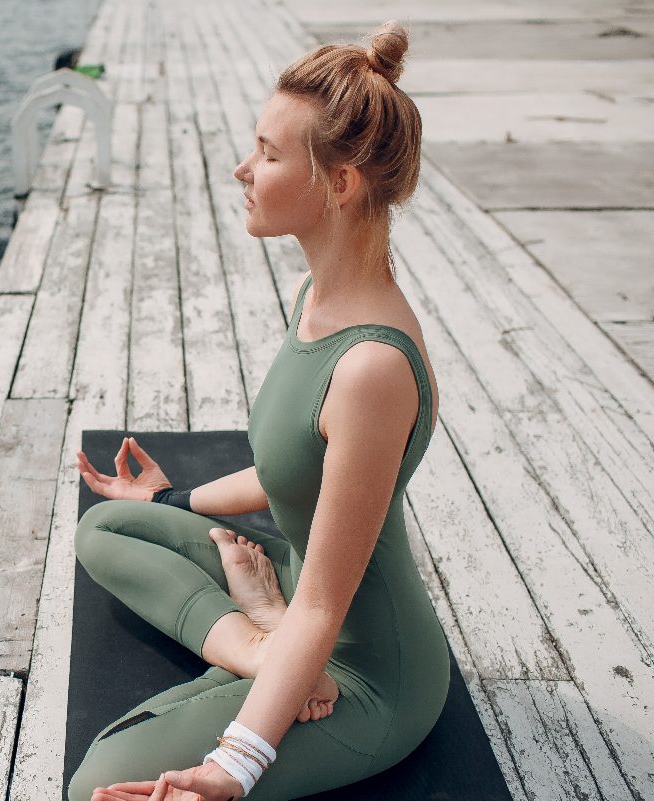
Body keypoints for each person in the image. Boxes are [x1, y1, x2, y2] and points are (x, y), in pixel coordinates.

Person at [67, 19, 449, 801]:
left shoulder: (371, 367)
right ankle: (255, 640)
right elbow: (288, 472)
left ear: (339, 183)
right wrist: (168, 498)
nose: (244, 168)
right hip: (296, 600)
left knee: (95, 788)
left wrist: (231, 768)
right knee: (106, 527)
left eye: (270, 155)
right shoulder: (319, 296)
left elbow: (326, 606)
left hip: (366, 673)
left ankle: (270, 641)